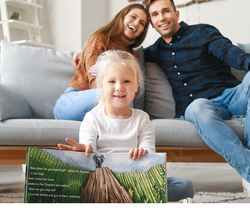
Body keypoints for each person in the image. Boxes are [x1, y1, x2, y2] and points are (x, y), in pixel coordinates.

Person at [142, 0, 250, 200]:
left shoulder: (202, 32)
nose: (161, 18)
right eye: (155, 14)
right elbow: (125, 50)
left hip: (232, 95)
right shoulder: (153, 52)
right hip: (202, 107)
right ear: (151, 22)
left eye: (165, 11)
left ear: (176, 14)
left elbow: (227, 50)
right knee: (195, 107)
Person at [58, 50, 194, 202]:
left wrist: (143, 153)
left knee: (185, 185)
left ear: (136, 86)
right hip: (102, 183)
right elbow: (89, 151)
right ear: (101, 85)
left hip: (137, 180)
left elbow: (150, 157)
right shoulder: (92, 119)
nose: (119, 87)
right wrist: (84, 150)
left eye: (126, 81)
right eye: (111, 81)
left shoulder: (142, 118)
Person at [54, 3, 149, 120]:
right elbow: (94, 83)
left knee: (123, 99)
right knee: (120, 98)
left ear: (142, 31)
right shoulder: (100, 39)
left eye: (141, 23)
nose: (136, 23)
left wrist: (105, 73)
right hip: (73, 102)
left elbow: (134, 91)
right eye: (133, 17)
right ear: (122, 17)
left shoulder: (133, 56)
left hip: (103, 107)